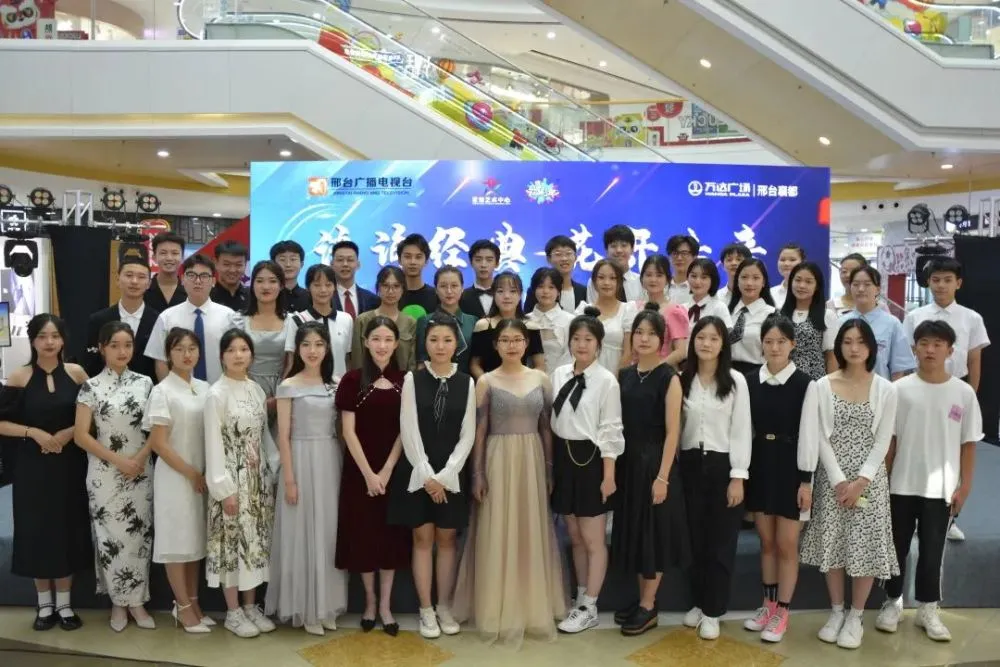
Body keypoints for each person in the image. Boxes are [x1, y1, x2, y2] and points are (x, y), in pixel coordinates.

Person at [452, 319, 566, 646]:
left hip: (532, 458)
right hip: (497, 458)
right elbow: (480, 430)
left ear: (527, 343)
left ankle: (531, 606)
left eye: (517, 339)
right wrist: (477, 473)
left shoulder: (541, 379)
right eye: (505, 340)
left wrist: (549, 469)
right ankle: (495, 608)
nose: (512, 345)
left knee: (529, 529)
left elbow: (546, 428)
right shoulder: (486, 381)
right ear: (496, 345)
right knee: (497, 528)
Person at [876, 320, 982, 642]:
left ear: (951, 351)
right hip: (901, 484)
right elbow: (890, 442)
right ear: (914, 349)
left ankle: (928, 608)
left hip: (941, 489)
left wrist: (965, 487)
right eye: (924, 343)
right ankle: (892, 601)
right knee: (895, 547)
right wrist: (883, 482)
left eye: (938, 344)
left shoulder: (963, 393)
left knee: (933, 550)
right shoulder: (898, 390)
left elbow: (969, 444)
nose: (930, 350)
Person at [799, 318, 899, 650]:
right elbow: (819, 436)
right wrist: (840, 481)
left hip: (869, 481)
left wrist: (861, 482)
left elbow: (884, 440)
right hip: (833, 478)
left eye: (861, 342)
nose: (854, 348)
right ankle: (836, 611)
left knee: (864, 546)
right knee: (834, 544)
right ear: (838, 346)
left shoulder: (886, 389)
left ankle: (856, 616)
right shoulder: (821, 386)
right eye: (847, 341)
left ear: (871, 347)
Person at [0, 314, 90, 631]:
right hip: (32, 467)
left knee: (67, 528)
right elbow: (2, 423)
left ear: (63, 339)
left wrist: (69, 433)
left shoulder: (77, 373)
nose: (49, 342)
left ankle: (64, 604)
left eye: (55, 336)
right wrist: (33, 433)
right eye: (42, 336)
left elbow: (94, 416)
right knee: (36, 530)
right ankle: (44, 605)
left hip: (69, 465)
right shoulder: (19, 376)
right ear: (33, 340)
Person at [389, 314, 476, 639]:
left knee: (448, 540)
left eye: (447, 340)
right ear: (425, 343)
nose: (440, 346)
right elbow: (408, 429)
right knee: (422, 539)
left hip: (451, 474)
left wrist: (446, 476)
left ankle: (444, 606)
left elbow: (468, 434)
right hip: (418, 472)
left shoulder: (467, 382)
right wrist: (427, 476)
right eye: (434, 339)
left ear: (457, 344)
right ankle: (425, 609)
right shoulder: (413, 379)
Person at [267, 322, 349, 636]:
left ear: (327, 348)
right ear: (297, 349)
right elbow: (283, 436)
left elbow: (342, 430)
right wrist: (289, 479)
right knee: (301, 532)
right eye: (306, 345)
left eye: (318, 344)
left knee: (327, 532)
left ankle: (326, 605)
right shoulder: (288, 385)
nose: (312, 351)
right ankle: (305, 608)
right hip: (299, 460)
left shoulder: (335, 384)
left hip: (329, 459)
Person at [612, 305, 689, 636]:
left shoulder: (669, 377)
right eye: (639, 333)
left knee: (653, 535)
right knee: (634, 531)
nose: (644, 339)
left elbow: (673, 432)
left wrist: (662, 477)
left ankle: (649, 604)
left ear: (662, 339)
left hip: (655, 462)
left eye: (651, 334)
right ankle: (641, 600)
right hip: (629, 462)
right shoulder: (626, 375)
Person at [74, 321, 156, 632]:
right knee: (110, 537)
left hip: (140, 470)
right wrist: (118, 460)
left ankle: (138, 601)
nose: (122, 351)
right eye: (114, 345)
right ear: (102, 348)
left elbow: (157, 429)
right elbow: (81, 435)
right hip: (105, 473)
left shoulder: (146, 383)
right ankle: (118, 604)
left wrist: (139, 458)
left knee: (139, 536)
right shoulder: (91, 387)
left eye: (128, 345)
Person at [743, 314, 819, 643]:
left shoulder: (805, 384)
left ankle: (783, 611)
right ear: (761, 344)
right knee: (767, 542)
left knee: (788, 544)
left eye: (781, 342)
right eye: (769, 341)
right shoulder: (749, 381)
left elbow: (810, 435)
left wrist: (806, 481)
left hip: (791, 468)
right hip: (760, 465)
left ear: (793, 345)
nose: (775, 348)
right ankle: (768, 604)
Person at [902, 257, 989, 542]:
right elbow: (907, 356)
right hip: (921, 388)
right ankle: (913, 512)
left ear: (958, 283)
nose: (941, 285)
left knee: (953, 453)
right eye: (936, 280)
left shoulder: (971, 318)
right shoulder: (915, 316)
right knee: (919, 448)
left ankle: (950, 517)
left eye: (947, 280)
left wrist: (970, 396)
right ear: (928, 282)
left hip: (956, 390)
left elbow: (974, 359)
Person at [335, 316, 411, 636]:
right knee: (364, 537)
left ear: (396, 344)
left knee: (390, 539)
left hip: (393, 470)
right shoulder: (352, 380)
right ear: (365, 342)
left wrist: (387, 470)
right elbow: (348, 431)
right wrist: (368, 474)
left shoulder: (405, 380)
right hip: (359, 471)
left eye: (388, 340)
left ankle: (386, 607)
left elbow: (406, 429)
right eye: (376, 339)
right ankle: (369, 602)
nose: (382, 345)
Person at [550, 308, 625, 634]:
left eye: (588, 340)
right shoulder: (559, 374)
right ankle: (580, 596)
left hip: (591, 460)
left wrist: (608, 475)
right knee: (575, 535)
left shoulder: (607, 381)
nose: (581, 345)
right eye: (576, 339)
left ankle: (590, 605)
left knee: (593, 538)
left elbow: (611, 430)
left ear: (599, 345)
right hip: (563, 458)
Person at [678, 316, 751, 641]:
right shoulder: (682, 379)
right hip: (690, 466)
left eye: (713, 338)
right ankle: (698, 601)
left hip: (723, 467)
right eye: (701, 337)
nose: (706, 343)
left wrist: (738, 476)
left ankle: (713, 611)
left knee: (721, 543)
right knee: (694, 541)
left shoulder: (735, 381)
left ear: (723, 344)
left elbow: (742, 430)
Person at [204, 329, 276, 638]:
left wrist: (272, 473)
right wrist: (223, 489)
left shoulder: (256, 390)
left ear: (252, 355)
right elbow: (212, 444)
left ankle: (250, 606)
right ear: (221, 356)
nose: (238, 355)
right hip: (231, 482)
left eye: (244, 349)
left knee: (254, 545)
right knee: (231, 545)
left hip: (256, 482)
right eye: (231, 350)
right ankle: (232, 612)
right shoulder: (216, 394)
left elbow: (264, 437)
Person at [144, 327, 213, 633]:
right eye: (179, 349)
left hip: (201, 476)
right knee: (176, 542)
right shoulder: (162, 391)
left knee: (195, 542)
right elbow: (159, 444)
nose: (186, 354)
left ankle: (194, 602)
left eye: (192, 348)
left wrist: (204, 473)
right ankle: (182, 607)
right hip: (175, 476)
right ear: (168, 355)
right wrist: (191, 472)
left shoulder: (205, 387)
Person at [145, 254, 235, 383]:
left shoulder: (229, 316)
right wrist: (170, 391)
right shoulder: (167, 317)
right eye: (191, 275)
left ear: (213, 281)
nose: (197, 281)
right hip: (179, 391)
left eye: (204, 276)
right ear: (182, 279)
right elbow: (161, 361)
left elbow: (236, 357)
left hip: (220, 390)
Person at [230, 260, 296, 410]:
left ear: (281, 285)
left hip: (283, 391)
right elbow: (232, 360)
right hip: (243, 391)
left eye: (272, 281)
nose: (266, 287)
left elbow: (292, 363)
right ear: (252, 285)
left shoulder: (292, 321)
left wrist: (280, 395)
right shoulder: (238, 320)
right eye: (260, 281)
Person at [85, 257, 159, 382]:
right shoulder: (98, 319)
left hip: (148, 389)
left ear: (149, 284)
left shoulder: (159, 320)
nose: (134, 281)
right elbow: (92, 362)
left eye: (141, 277)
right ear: (118, 280)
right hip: (107, 388)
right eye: (129, 275)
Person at [838, 266, 915, 381]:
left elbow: (899, 369)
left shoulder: (892, 324)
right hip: (846, 388)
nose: (861, 289)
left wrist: (891, 390)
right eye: (856, 284)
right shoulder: (840, 323)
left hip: (881, 390)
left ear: (878, 289)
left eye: (867, 284)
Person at [470, 272, 544, 378]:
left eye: (513, 291)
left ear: (520, 295)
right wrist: (488, 383)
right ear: (493, 294)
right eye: (500, 291)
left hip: (522, 384)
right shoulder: (483, 325)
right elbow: (475, 365)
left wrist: (526, 382)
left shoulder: (530, 326)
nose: (506, 296)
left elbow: (540, 366)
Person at [286, 264, 353, 378]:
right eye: (317, 285)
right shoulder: (297, 320)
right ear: (308, 288)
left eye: (328, 285)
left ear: (335, 287)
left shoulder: (346, 319)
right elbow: (291, 362)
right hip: (307, 385)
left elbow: (347, 359)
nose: (323, 290)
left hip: (340, 385)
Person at [351, 266, 416, 373]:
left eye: (396, 286)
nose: (390, 291)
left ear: (403, 289)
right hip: (368, 381)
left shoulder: (410, 322)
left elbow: (412, 364)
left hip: (402, 381)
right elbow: (357, 362)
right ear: (378, 288)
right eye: (385, 286)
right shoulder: (363, 320)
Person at [780, 262, 838, 380]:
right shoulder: (780, 314)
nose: (802, 285)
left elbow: (831, 357)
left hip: (815, 380)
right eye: (798, 280)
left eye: (808, 282)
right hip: (784, 379)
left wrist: (832, 386)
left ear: (817, 286)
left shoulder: (827, 315)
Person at [577, 260, 637, 373]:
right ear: (594, 281)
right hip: (586, 374)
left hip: (617, 375)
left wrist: (615, 380)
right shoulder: (583, 310)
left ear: (619, 282)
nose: (607, 283)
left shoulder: (628, 310)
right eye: (601, 277)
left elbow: (628, 353)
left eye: (612, 278)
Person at [415, 266, 477, 374]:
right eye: (443, 286)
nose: (449, 291)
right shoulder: (425, 321)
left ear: (462, 288)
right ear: (436, 289)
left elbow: (476, 361)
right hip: (432, 380)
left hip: (466, 380)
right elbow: (421, 362)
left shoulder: (473, 321)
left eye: (454, 286)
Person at [635, 255, 688, 367]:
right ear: (642, 278)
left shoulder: (674, 311)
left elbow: (681, 351)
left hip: (662, 372)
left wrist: (655, 369)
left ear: (667, 279)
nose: (653, 280)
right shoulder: (634, 307)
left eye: (659, 275)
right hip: (636, 370)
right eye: (648, 275)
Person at [728, 258, 776, 375]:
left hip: (758, 374)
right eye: (744, 277)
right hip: (726, 373)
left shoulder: (772, 315)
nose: (749, 283)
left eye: (755, 278)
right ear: (737, 281)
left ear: (763, 282)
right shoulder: (726, 311)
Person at [525, 267, 574, 375]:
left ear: (559, 291)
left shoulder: (570, 321)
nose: (546, 291)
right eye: (540, 286)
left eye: (551, 287)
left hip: (562, 380)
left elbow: (570, 357)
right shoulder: (524, 321)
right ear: (534, 289)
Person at [527, 235, 586, 312]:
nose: (564, 258)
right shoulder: (536, 291)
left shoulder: (583, 291)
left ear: (575, 257)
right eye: (558, 254)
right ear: (548, 259)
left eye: (568, 253)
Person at [587, 225, 645, 303]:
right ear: (606, 250)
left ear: (632, 249)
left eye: (624, 245)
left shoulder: (641, 282)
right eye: (613, 246)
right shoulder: (595, 281)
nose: (619, 250)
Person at [331, 240, 380, 317]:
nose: (345, 264)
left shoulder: (372, 299)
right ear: (332, 264)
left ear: (358, 264)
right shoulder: (324, 298)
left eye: (350, 260)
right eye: (340, 260)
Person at [397, 234, 439, 314]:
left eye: (418, 257)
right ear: (399, 260)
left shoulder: (436, 295)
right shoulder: (392, 294)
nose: (413, 262)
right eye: (407, 256)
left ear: (426, 261)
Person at [145, 232, 186, 313]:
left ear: (182, 257)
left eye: (174, 253)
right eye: (163, 253)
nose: (169, 258)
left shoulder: (189, 291)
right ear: (154, 257)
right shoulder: (143, 289)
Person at [459, 239, 500, 319]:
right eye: (478, 260)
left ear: (497, 263)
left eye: (489, 260)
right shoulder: (462, 296)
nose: (483, 265)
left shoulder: (505, 295)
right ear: (471, 263)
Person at [686, 259, 732, 328]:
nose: (697, 282)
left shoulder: (719, 307)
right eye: (694, 276)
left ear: (713, 280)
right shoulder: (682, 308)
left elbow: (727, 333)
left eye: (704, 277)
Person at [270, 240, 311, 312]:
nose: (288, 264)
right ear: (273, 264)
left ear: (301, 264)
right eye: (282, 259)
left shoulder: (311, 297)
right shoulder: (267, 295)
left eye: (293, 259)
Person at [210, 241, 250, 312]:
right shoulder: (206, 297)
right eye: (226, 264)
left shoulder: (254, 296)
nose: (232, 270)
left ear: (245, 265)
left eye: (238, 265)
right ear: (216, 263)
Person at [666, 234, 699, 305]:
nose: (679, 258)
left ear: (695, 257)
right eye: (675, 253)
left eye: (684, 253)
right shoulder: (661, 286)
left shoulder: (700, 287)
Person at [771, 243, 805, 309]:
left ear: (802, 262)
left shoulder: (809, 293)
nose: (786, 264)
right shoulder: (771, 293)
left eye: (792, 260)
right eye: (782, 260)